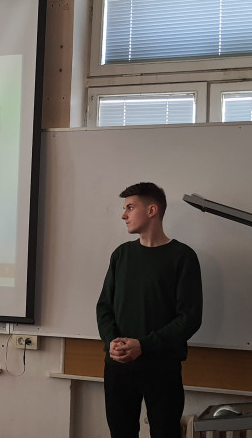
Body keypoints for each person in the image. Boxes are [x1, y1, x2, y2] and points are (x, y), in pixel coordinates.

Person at [96, 182, 203, 438]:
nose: (124, 215)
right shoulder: (121, 255)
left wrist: (143, 345)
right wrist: (111, 342)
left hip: (162, 368)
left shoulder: (182, 256)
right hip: (118, 366)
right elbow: (104, 307)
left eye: (130, 208)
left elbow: (189, 318)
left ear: (152, 210)